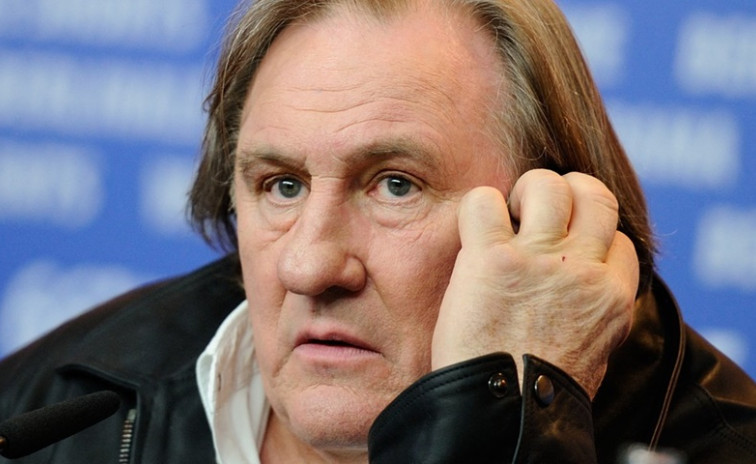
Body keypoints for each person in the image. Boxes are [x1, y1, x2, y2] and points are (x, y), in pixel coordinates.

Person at [1, 0, 755, 462]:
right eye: (282, 185)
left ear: (549, 221)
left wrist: (510, 419)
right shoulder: (40, 417)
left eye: (395, 184)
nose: (308, 266)